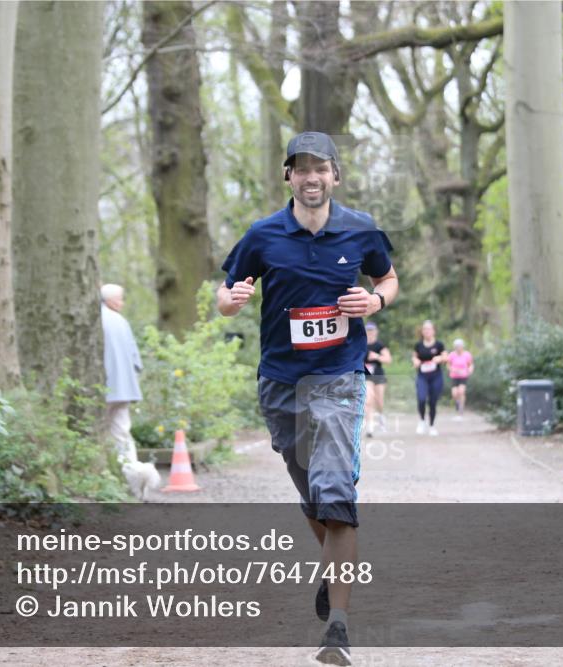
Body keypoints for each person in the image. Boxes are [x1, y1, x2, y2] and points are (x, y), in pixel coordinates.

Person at [217, 131, 398, 666]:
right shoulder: (263, 235)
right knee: (312, 494)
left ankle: (337, 629)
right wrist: (235, 300)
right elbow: (225, 294)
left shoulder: (362, 229)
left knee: (336, 489)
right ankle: (331, 559)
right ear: (289, 177)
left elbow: (388, 279)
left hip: (340, 376)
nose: (311, 176)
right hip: (280, 382)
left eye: (321, 168)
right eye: (301, 168)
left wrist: (375, 301)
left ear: (335, 176)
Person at [100, 284, 144, 464]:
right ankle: (130, 469)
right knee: (121, 431)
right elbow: (135, 358)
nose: (122, 303)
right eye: (119, 299)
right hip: (124, 387)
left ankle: (109, 470)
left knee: (99, 430)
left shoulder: (98, 318)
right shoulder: (121, 321)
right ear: (109, 300)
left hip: (104, 386)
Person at [412, 320, 447, 436]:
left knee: (433, 401)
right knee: (421, 399)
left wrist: (440, 359)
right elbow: (414, 357)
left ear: (433, 331)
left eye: (429, 329)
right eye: (425, 329)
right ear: (422, 332)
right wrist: (416, 361)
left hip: (436, 376)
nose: (427, 331)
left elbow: (446, 357)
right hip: (422, 376)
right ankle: (422, 421)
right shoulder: (418, 345)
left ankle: (432, 425)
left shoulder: (439, 345)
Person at [363, 322, 392, 438]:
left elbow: (388, 360)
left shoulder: (380, 345)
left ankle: (380, 415)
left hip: (378, 375)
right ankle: (370, 427)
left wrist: (377, 357)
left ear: (376, 332)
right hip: (366, 376)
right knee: (368, 400)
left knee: (379, 400)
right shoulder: (361, 344)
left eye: (372, 331)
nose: (370, 333)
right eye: (368, 331)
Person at [448, 338, 474, 418]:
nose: (458, 348)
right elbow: (448, 364)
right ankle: (457, 403)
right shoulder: (452, 355)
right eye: (456, 346)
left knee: (461, 391)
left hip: (463, 376)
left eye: (459, 346)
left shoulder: (467, 355)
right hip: (454, 376)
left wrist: (470, 370)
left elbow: (471, 364)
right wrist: (452, 369)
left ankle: (461, 408)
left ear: (462, 346)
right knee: (454, 393)